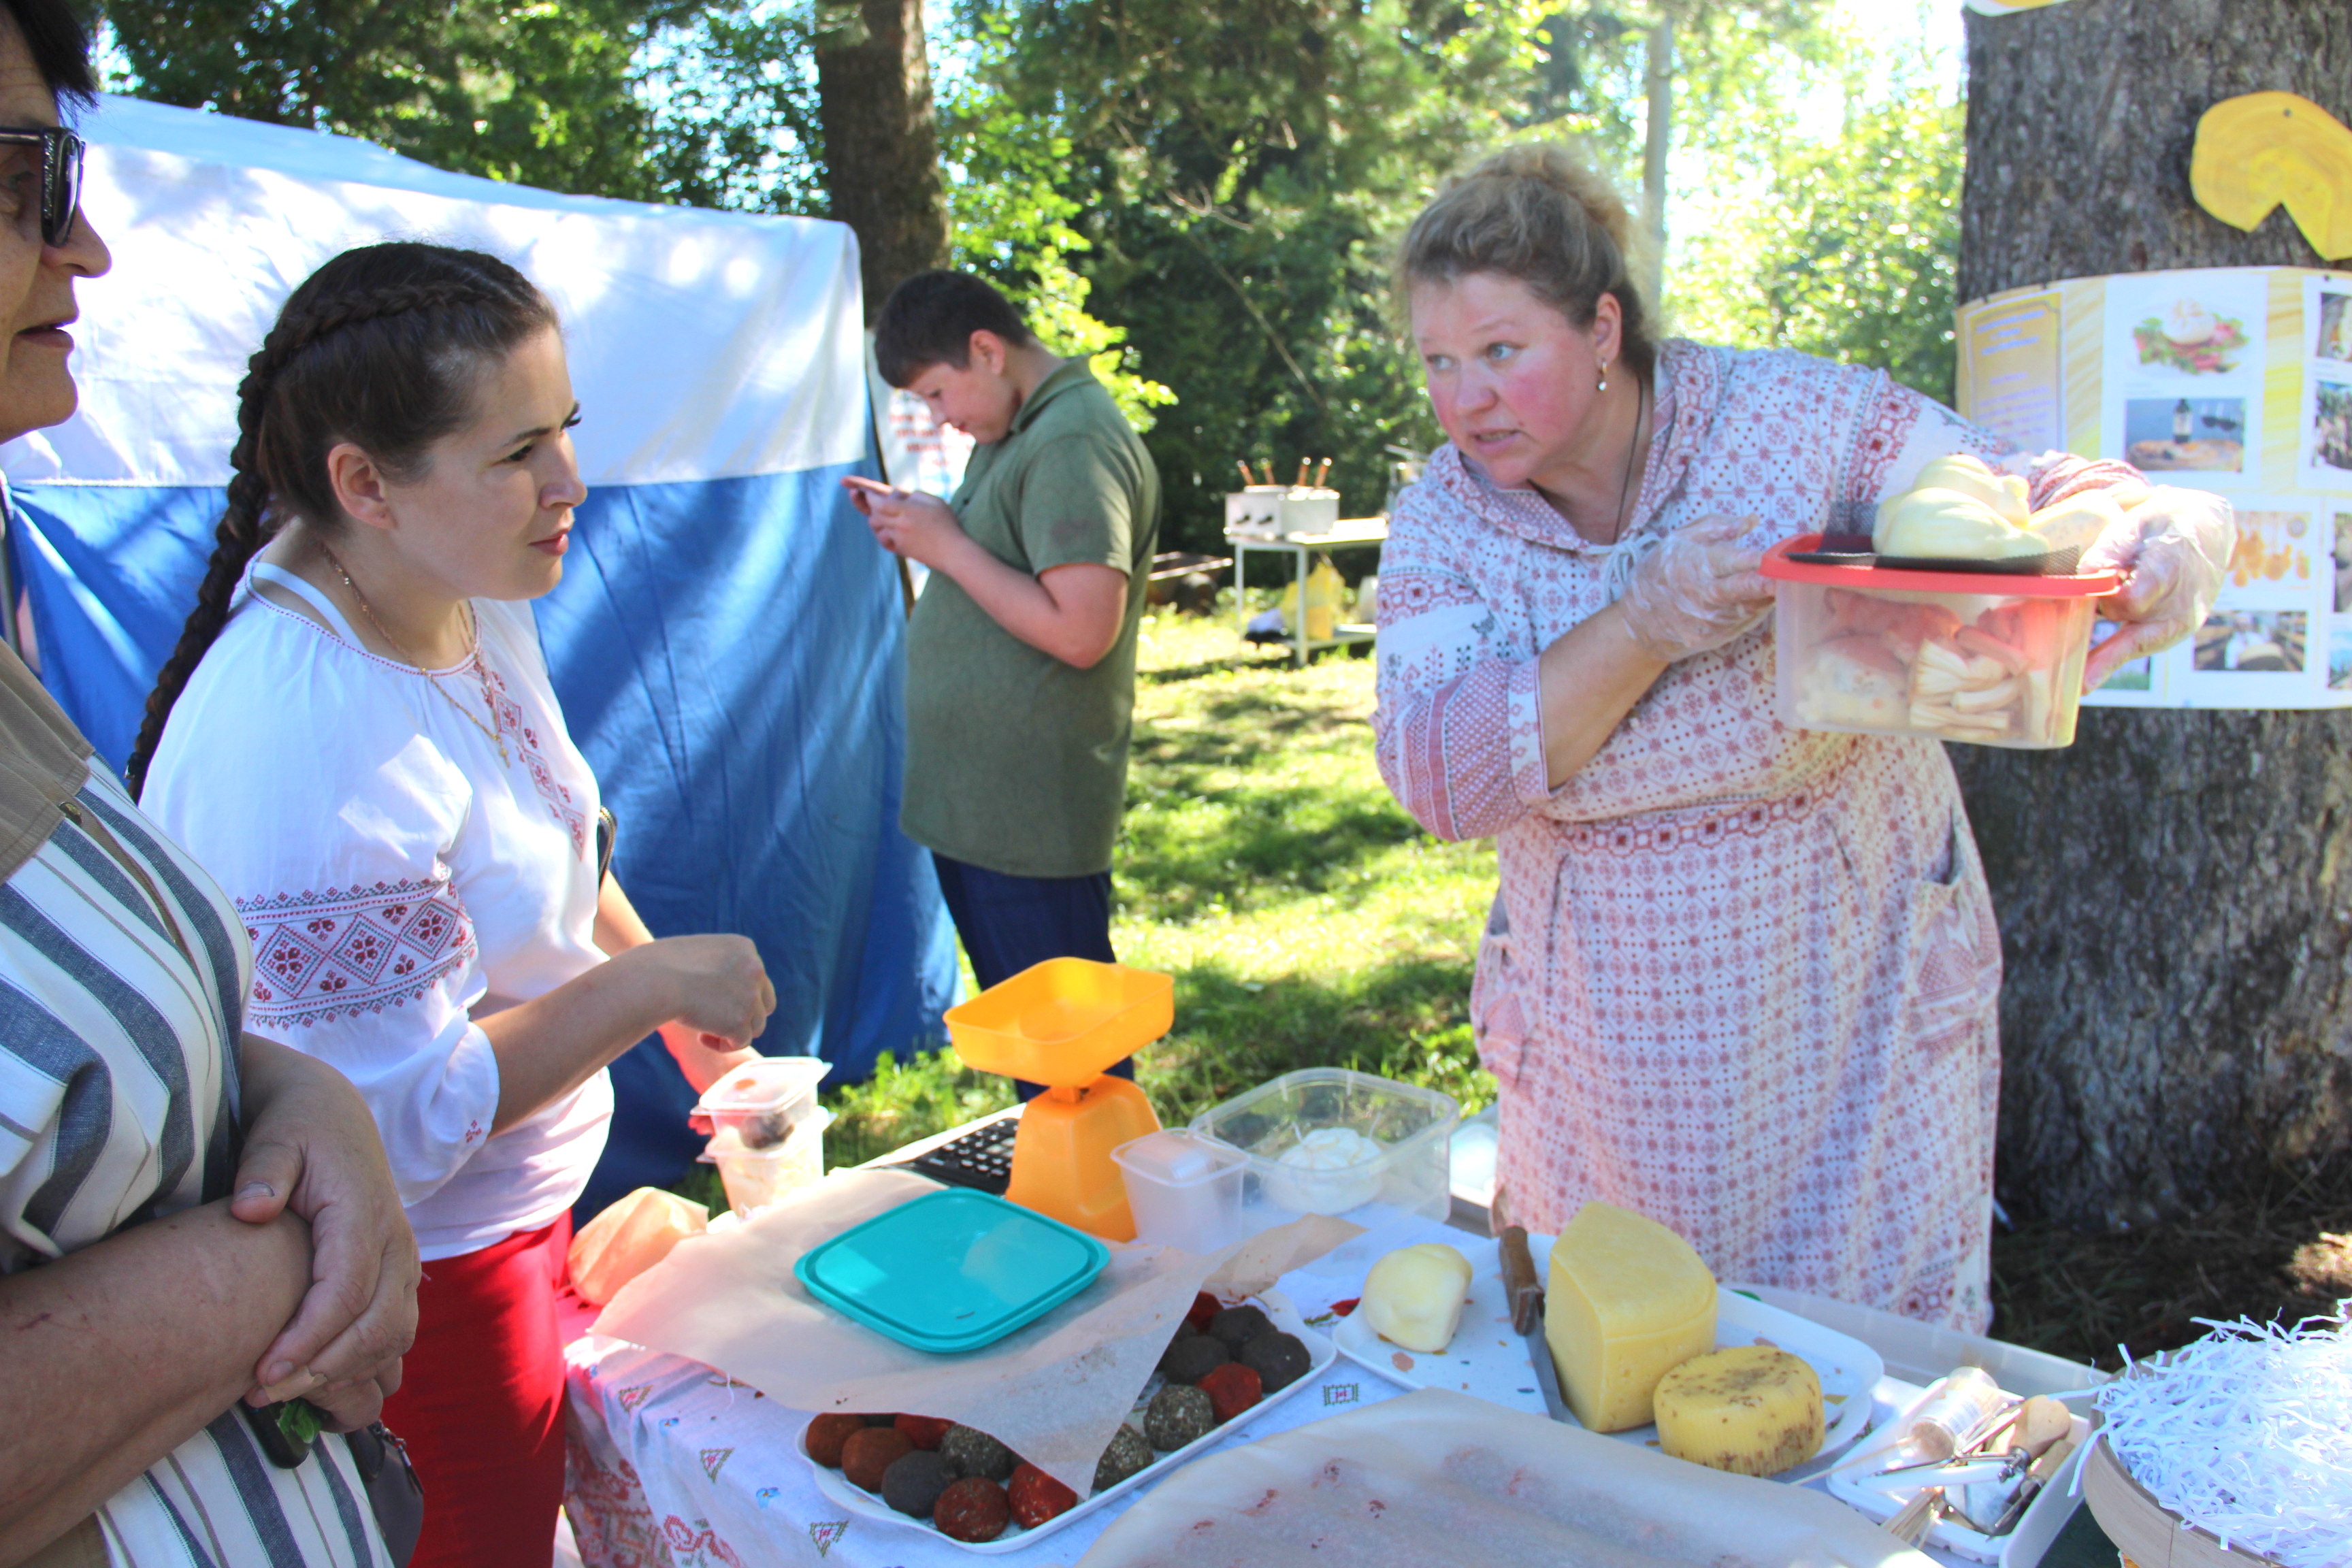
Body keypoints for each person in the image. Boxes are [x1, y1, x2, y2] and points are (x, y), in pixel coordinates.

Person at [1373, 146, 2230, 1332]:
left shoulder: (1791, 422)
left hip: (1848, 965)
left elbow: (2013, 492)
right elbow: (1441, 774)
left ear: (1603, 327)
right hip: (1610, 1012)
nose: (1465, 397)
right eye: (1439, 362)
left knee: (1863, 1354)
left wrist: (2161, 522)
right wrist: (1642, 624)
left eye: (1502, 350)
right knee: (1631, 1336)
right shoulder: (1444, 520)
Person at [131, 243, 778, 1566]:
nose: (570, 484)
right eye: (516, 452)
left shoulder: (463, 587)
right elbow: (376, 1130)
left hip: (519, 1228)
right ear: (363, 485)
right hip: (412, 1284)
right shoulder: (302, 734)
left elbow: (555, 835)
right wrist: (647, 990)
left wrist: (677, 1013)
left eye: (568, 431)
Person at [0, 3, 419, 1563]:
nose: (85, 244)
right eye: (27, 175)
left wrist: (300, 1096)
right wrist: (277, 1264)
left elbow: (121, 1038)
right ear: (367, 486)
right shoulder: (283, 704)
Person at [846, 272, 1160, 1053]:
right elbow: (1009, 566)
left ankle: (1099, 1182)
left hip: (1028, 817)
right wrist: (929, 526)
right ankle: (1066, 1176)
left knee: (1070, 1059)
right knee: (1039, 1052)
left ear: (986, 351)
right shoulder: (1022, 432)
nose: (939, 419)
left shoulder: (1071, 440)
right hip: (987, 809)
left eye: (937, 394)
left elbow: (1083, 629)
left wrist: (944, 546)